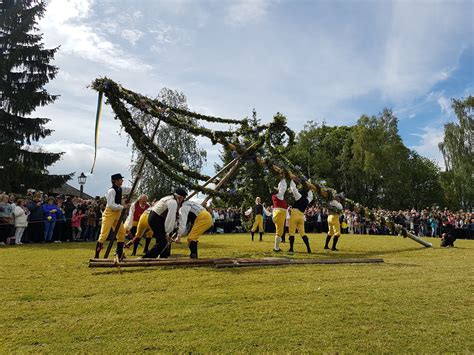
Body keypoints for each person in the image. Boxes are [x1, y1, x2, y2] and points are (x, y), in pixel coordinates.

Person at [141, 188, 187, 259]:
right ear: (180, 197)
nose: (183, 200)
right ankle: (147, 258)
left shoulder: (170, 198)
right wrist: (168, 232)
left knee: (163, 240)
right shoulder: (173, 202)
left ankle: (164, 256)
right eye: (183, 198)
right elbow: (170, 218)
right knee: (162, 242)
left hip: (156, 217)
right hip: (156, 218)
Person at [94, 173, 129, 260]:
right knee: (104, 235)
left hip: (117, 213)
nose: (122, 181)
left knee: (121, 233)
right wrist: (122, 206)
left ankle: (119, 253)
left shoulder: (121, 189)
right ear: (116, 181)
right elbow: (111, 205)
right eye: (121, 179)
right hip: (109, 213)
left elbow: (133, 189)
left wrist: (137, 179)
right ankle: (96, 255)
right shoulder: (111, 191)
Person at [288, 178, 313, 253]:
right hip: (302, 216)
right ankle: (308, 248)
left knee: (291, 232)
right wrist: (310, 188)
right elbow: (311, 196)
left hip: (294, 214)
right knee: (302, 233)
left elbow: (293, 189)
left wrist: (292, 180)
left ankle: (291, 249)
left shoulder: (299, 196)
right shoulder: (308, 200)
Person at [271, 176, 288, 252]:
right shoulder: (279, 195)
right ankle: (276, 248)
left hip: (276, 213)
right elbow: (283, 188)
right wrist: (283, 179)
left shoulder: (276, 196)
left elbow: (281, 188)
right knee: (279, 232)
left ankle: (277, 246)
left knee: (279, 231)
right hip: (279, 213)